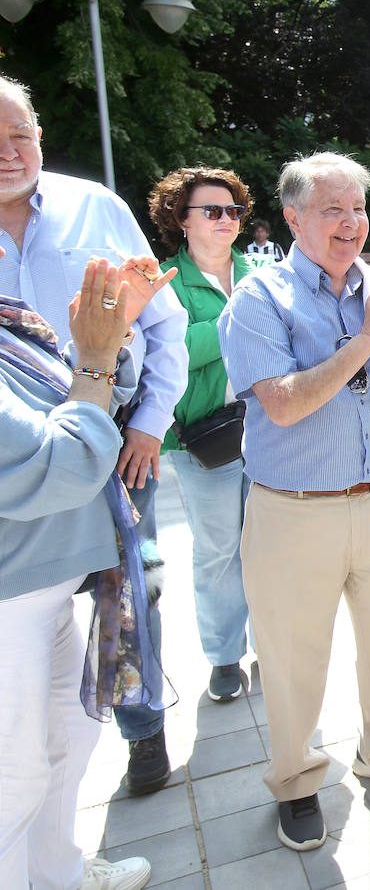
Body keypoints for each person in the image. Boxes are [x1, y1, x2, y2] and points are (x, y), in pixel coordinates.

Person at [217, 152, 370, 852]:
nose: (351, 223)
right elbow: (282, 405)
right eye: (332, 209)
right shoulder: (258, 299)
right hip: (294, 508)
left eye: (358, 209)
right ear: (292, 217)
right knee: (292, 656)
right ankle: (297, 781)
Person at [0, 74, 188, 799]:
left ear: (41, 135)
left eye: (20, 135)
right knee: (30, 638)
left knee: (134, 593)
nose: (10, 153)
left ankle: (144, 732)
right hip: (17, 467)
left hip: (111, 447)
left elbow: (166, 328)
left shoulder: (96, 209)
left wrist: (146, 426)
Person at [1, 257, 153, 890]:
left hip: (48, 589)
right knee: (15, 779)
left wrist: (107, 341)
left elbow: (73, 404)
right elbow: (57, 464)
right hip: (14, 601)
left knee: (68, 742)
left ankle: (57, 874)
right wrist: (93, 358)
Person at [147, 167, 260, 704]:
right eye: (212, 210)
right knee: (219, 552)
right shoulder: (165, 282)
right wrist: (237, 318)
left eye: (233, 211)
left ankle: (270, 642)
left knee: (270, 545)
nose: (226, 220)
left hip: (270, 433)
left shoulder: (261, 271)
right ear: (181, 219)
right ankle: (223, 657)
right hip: (206, 442)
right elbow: (173, 354)